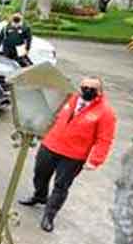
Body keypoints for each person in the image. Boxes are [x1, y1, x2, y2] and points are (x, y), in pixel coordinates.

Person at [19, 77, 117, 232]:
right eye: (84, 87)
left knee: (61, 186)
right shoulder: (69, 99)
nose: (87, 91)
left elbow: (104, 139)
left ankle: (49, 216)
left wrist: (95, 160)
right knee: (40, 174)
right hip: (50, 145)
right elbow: (52, 114)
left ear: (100, 92)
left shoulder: (105, 113)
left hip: (73, 156)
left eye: (92, 89)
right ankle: (40, 196)